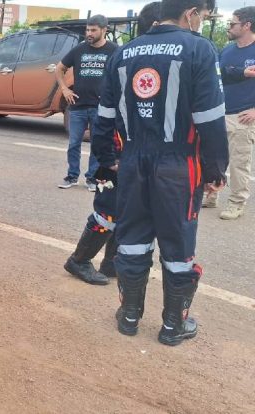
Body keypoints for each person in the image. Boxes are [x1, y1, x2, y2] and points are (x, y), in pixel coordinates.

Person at [92, 0, 228, 346]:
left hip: (134, 161)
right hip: (180, 164)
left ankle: (129, 317)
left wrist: (108, 159)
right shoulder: (199, 48)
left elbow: (104, 116)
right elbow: (210, 118)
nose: (204, 21)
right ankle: (172, 326)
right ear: (191, 13)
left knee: (133, 239)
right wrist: (216, 168)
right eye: (204, 15)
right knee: (178, 243)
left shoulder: (122, 54)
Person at [64, 2, 162, 285]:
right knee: (108, 207)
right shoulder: (126, 57)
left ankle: (110, 263)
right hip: (116, 147)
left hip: (130, 147)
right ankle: (79, 261)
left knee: (125, 206)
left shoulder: (132, 55)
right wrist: (107, 157)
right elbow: (107, 112)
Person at [202, 6, 255, 220]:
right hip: (220, 112)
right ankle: (213, 193)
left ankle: (236, 202)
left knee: (239, 163)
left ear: (247, 25)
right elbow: (217, 76)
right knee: (215, 159)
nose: (228, 27)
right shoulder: (227, 50)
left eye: (232, 24)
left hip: (243, 115)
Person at [56, 15, 118, 191]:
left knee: (96, 145)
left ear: (104, 30)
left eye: (93, 30)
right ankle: (72, 176)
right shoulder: (79, 50)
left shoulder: (114, 50)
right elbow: (60, 68)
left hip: (101, 108)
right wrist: (65, 89)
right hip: (78, 106)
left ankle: (92, 178)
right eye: (87, 30)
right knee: (73, 143)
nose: (89, 33)